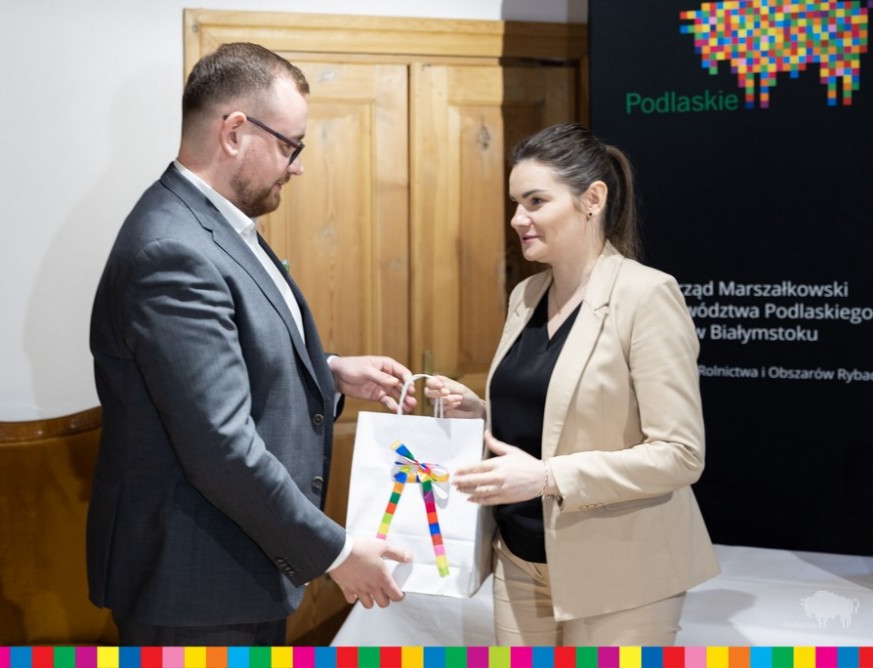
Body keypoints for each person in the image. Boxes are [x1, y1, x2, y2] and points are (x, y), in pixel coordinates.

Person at [86, 42, 414, 647]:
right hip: (195, 584)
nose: (297, 166)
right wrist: (337, 553)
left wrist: (329, 373)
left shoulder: (213, 223)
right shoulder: (172, 249)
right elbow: (220, 444)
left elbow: (225, 359)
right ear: (235, 132)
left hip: (230, 568)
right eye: (291, 145)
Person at [425, 122, 719, 646]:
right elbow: (554, 418)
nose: (518, 219)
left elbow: (680, 455)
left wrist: (547, 478)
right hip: (518, 560)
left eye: (536, 201)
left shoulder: (646, 296)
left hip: (623, 573)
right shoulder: (525, 296)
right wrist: (482, 415)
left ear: (593, 200)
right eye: (516, 204)